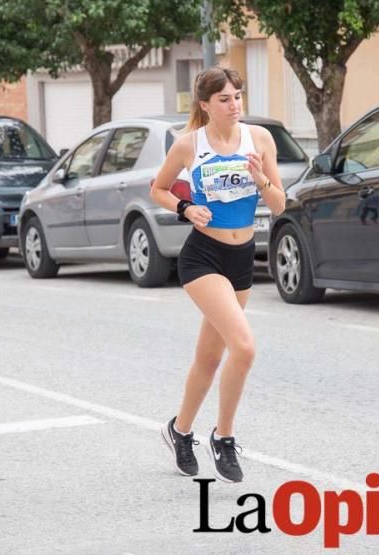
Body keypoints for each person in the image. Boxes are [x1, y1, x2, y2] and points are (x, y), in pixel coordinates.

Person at [150, 67, 286, 483]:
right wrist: (186, 209)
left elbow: (279, 205)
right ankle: (223, 438)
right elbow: (158, 188)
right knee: (243, 348)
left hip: (241, 257)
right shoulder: (189, 145)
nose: (234, 105)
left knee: (209, 359)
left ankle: (180, 430)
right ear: (205, 104)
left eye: (238, 97)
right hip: (202, 257)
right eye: (225, 99)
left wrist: (260, 177)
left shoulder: (259, 140)